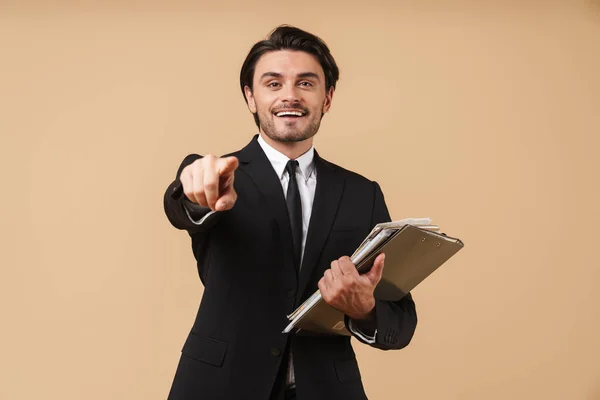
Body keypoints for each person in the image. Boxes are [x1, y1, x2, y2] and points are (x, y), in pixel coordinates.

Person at [163, 25, 417, 400]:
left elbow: (401, 318)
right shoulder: (215, 174)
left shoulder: (362, 194)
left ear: (327, 98)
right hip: (220, 386)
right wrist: (197, 193)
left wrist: (365, 310)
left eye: (306, 83)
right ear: (251, 97)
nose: (290, 96)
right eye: (273, 83)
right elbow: (185, 205)